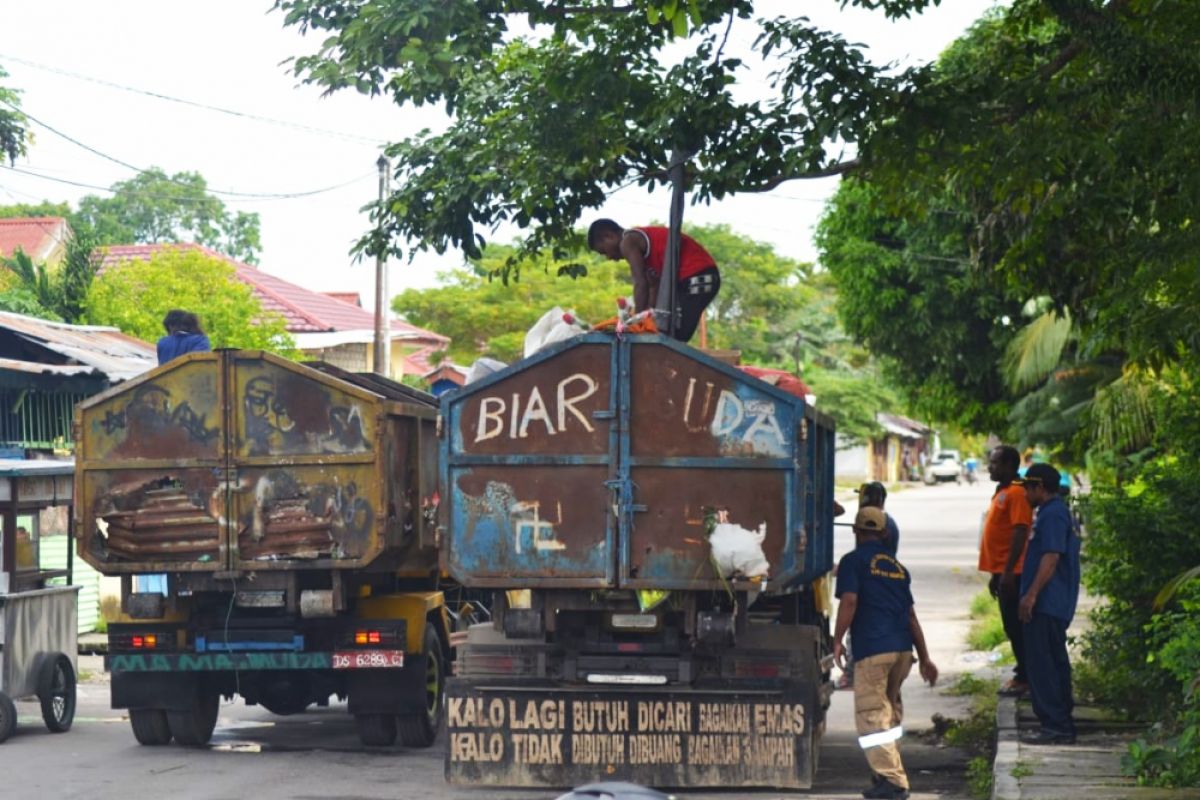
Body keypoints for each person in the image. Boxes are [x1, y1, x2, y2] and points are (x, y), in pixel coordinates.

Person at [834, 506, 938, 800]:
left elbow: (850, 601)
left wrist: (838, 639)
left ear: (856, 531)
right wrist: (925, 657)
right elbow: (910, 616)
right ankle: (884, 775)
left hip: (874, 650)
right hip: (902, 652)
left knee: (871, 715)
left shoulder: (852, 562)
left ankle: (894, 782)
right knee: (888, 714)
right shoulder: (896, 567)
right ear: (883, 533)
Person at [1018, 462, 1081, 745]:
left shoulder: (1053, 515)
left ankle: (1056, 725)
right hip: (1050, 602)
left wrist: (1031, 595)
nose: (1024, 494)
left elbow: (1051, 557)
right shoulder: (1050, 513)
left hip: (1047, 602)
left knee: (1043, 663)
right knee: (1052, 660)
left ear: (1039, 487)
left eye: (1028, 488)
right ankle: (1059, 721)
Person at [587, 219, 720, 343]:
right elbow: (652, 292)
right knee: (667, 329)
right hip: (692, 278)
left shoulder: (628, 241)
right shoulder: (647, 254)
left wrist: (636, 323)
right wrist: (644, 319)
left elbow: (640, 283)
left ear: (609, 236)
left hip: (699, 275)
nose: (609, 258)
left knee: (677, 332)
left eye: (604, 251)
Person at [978, 445, 1033, 697]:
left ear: (1011, 466)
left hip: (1015, 572)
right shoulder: (1002, 491)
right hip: (1003, 571)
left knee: (1016, 625)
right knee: (1011, 626)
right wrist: (995, 574)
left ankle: (1026, 677)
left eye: (996, 463)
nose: (991, 467)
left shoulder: (1017, 493)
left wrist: (1009, 572)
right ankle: (1023, 672)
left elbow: (1020, 531)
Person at [837, 482, 902, 690]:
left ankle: (851, 675)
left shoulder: (874, 525)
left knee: (857, 628)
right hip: (883, 586)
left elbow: (850, 599)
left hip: (870, 587)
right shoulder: (886, 523)